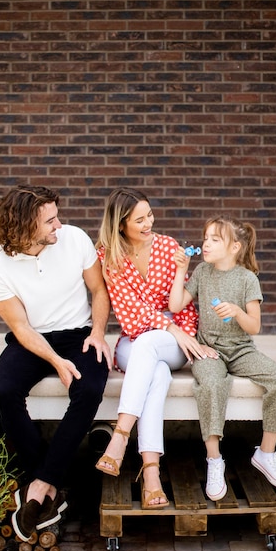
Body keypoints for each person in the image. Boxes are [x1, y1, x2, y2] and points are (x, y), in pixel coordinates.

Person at [0, 185, 112, 541]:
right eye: (50, 221)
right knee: (7, 391)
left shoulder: (74, 239)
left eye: (57, 216)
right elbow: (21, 327)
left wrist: (98, 333)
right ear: (24, 227)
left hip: (79, 333)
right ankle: (49, 478)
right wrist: (56, 361)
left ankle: (40, 484)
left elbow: (99, 290)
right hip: (33, 339)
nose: (60, 225)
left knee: (88, 389)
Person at [94, 188, 218, 509]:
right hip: (134, 340)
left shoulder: (167, 247)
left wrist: (176, 329)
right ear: (121, 224)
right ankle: (151, 475)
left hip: (172, 342)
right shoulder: (109, 255)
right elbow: (129, 313)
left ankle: (120, 436)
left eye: (150, 215)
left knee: (152, 347)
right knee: (157, 375)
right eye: (139, 219)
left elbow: (181, 306)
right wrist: (170, 326)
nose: (149, 223)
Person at [169, 215, 276, 501]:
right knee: (212, 384)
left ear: (235, 247)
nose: (206, 244)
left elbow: (255, 327)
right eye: (206, 238)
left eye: (215, 239)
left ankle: (265, 454)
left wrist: (237, 312)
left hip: (241, 349)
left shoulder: (247, 279)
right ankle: (214, 460)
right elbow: (175, 305)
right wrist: (181, 270)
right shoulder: (201, 272)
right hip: (208, 349)